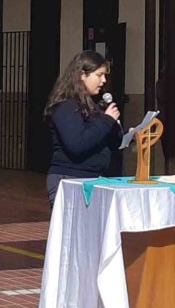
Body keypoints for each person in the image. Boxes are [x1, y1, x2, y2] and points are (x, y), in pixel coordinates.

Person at [44, 51, 123, 205]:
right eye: (99, 75)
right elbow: (77, 144)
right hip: (70, 179)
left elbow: (104, 140)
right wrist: (106, 120)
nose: (104, 80)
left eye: (104, 75)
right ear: (82, 75)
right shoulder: (66, 106)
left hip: (95, 178)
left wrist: (122, 132)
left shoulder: (94, 104)